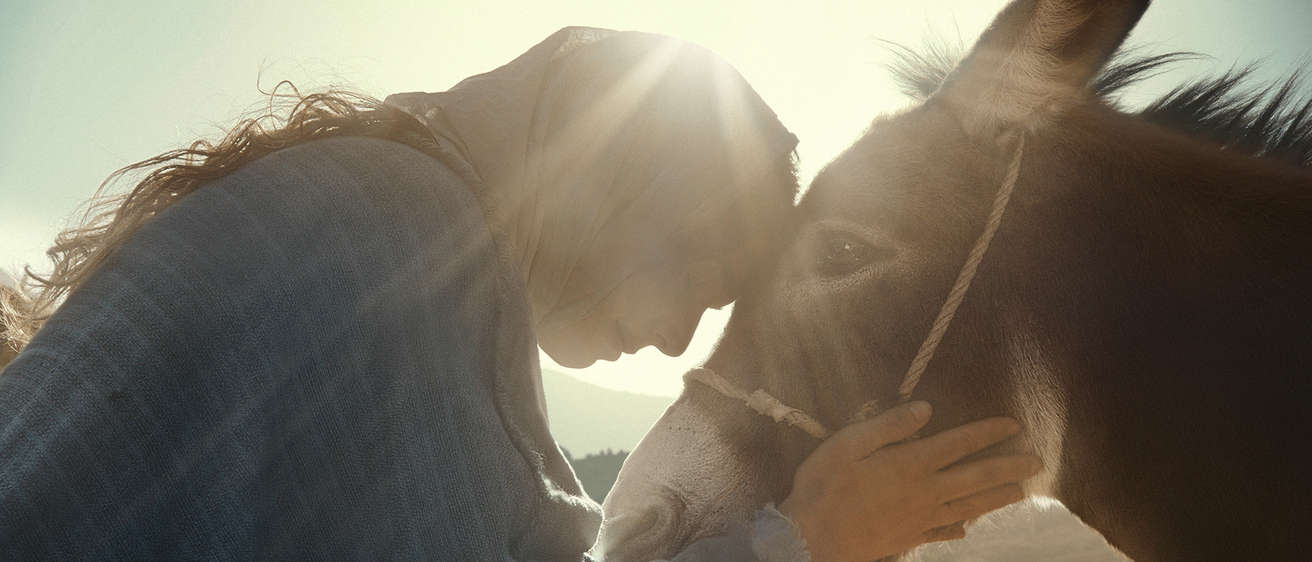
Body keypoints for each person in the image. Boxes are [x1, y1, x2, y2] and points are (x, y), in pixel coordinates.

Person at [0, 27, 1040, 561]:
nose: (681, 333)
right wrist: (805, 541)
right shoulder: (388, 249)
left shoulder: (392, 225)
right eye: (693, 271)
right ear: (619, 186)